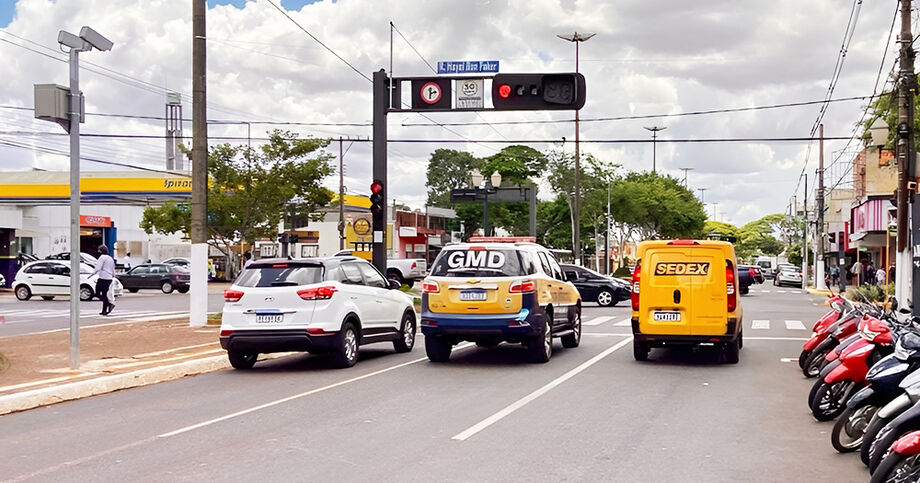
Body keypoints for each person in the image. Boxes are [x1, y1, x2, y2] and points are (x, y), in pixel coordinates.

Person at [91, 245, 116, 315]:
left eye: (99, 250)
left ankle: (109, 304)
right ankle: (104, 310)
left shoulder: (102, 257)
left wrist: (92, 274)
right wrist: (113, 275)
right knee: (104, 294)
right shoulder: (110, 258)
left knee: (98, 292)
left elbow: (98, 267)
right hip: (109, 278)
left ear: (101, 251)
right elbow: (113, 268)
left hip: (103, 277)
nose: (97, 251)